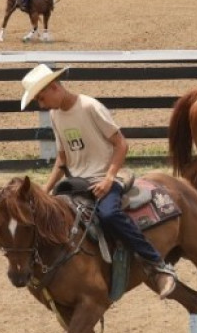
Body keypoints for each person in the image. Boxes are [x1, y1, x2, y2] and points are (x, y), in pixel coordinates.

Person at [21, 63, 179, 298]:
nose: (41, 105)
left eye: (41, 99)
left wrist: (109, 178)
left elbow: (121, 144)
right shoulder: (55, 116)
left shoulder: (90, 107)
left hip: (106, 177)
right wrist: (45, 190)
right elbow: (62, 159)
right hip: (76, 184)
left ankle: (157, 265)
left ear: (54, 87)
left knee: (109, 215)